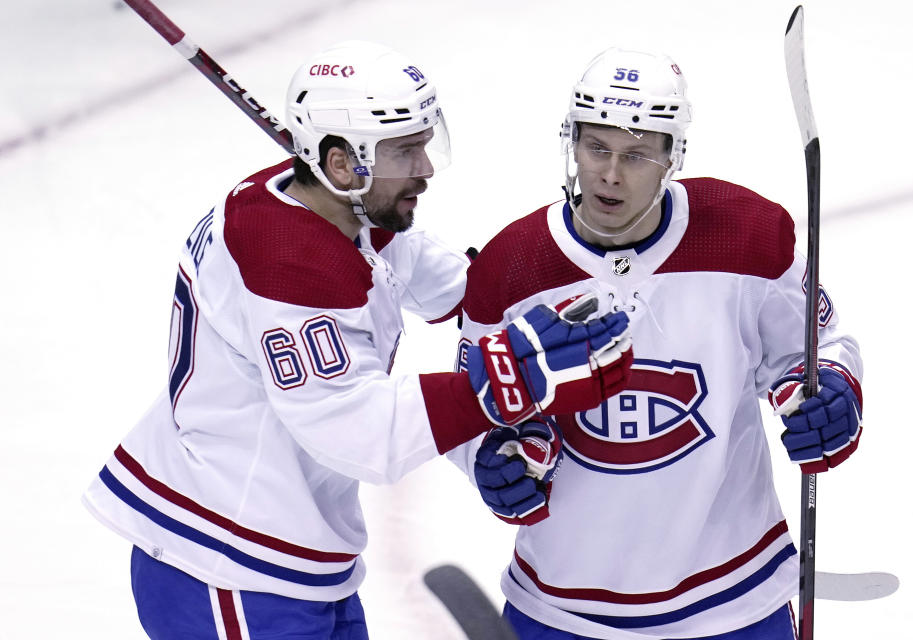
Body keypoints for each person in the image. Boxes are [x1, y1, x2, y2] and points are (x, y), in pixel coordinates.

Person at [81, 41, 634, 640]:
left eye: (425, 142)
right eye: (405, 151)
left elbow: (451, 284)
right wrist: (504, 380)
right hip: (226, 562)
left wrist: (528, 300)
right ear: (343, 164)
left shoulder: (338, 208)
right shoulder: (286, 266)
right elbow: (362, 432)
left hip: (293, 557)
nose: (425, 167)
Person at [450, 48, 864, 640]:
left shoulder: (745, 235)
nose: (610, 173)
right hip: (562, 605)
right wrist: (491, 460)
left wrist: (832, 394)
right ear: (572, 142)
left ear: (672, 157)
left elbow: (817, 345)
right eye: (597, 148)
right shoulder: (510, 270)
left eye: (637, 154)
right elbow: (471, 405)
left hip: (735, 598)